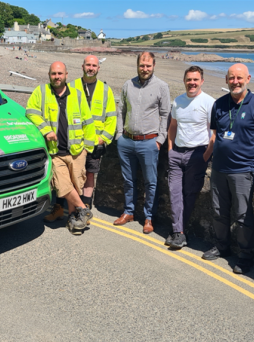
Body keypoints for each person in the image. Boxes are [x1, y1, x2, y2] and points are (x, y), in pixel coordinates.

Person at [202, 63, 254, 274]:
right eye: (231, 78)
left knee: (242, 215)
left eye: (239, 78)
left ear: (248, 78)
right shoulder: (220, 104)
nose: (235, 81)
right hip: (219, 168)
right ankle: (222, 247)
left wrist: (250, 152)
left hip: (244, 170)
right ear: (226, 79)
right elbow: (215, 133)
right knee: (218, 211)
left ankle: (245, 255)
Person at [26, 61, 96, 235]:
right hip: (55, 152)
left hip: (77, 151)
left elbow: (88, 123)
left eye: (60, 74)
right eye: (53, 74)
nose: (57, 77)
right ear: (49, 75)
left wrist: (87, 148)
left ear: (66, 75)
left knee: (75, 186)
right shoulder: (41, 92)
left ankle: (75, 222)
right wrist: (46, 130)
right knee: (62, 185)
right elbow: (30, 111)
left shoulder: (78, 95)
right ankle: (83, 208)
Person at [114, 52, 170, 234]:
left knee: (150, 182)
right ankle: (129, 212)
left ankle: (149, 217)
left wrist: (160, 140)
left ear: (154, 66)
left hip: (149, 142)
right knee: (128, 180)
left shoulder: (162, 86)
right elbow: (121, 109)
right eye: (142, 65)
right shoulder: (127, 85)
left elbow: (165, 115)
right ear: (137, 65)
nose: (145, 69)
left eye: (148, 66)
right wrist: (119, 135)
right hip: (127, 141)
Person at [166, 66, 215, 250]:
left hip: (197, 153)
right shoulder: (178, 101)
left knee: (190, 193)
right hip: (177, 152)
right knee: (174, 192)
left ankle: (178, 232)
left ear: (201, 81)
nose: (192, 83)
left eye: (195, 80)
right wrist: (170, 149)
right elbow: (172, 126)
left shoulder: (209, 102)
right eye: (189, 80)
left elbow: (214, 132)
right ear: (184, 81)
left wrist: (206, 155)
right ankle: (179, 232)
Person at [68, 55, 117, 217]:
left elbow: (111, 117)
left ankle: (86, 206)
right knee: (72, 175)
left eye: (94, 65)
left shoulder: (105, 90)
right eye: (88, 65)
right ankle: (70, 208)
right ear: (82, 66)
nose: (91, 68)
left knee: (90, 174)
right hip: (75, 141)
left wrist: (103, 139)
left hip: (95, 142)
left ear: (98, 68)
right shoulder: (72, 86)